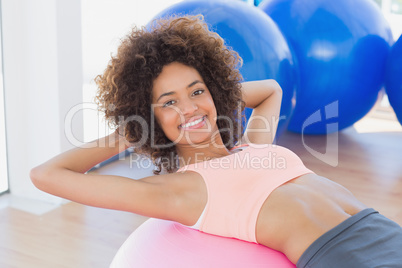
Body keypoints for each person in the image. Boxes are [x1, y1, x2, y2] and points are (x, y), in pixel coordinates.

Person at [30, 15, 402, 267]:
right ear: (151, 116)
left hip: (383, 229)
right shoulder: (179, 191)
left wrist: (212, 98)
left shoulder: (253, 147)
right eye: (169, 102)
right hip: (345, 256)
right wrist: (133, 127)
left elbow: (270, 90)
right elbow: (45, 174)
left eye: (196, 90)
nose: (189, 107)